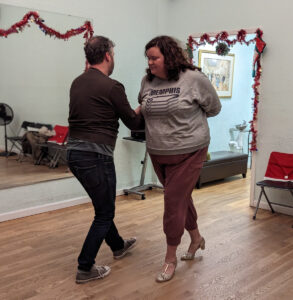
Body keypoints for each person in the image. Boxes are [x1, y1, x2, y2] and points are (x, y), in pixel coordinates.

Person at [138, 36, 221, 282]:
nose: (150, 63)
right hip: (158, 151)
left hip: (190, 150)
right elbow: (143, 107)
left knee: (173, 201)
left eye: (155, 58)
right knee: (181, 198)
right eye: (148, 58)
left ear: (169, 57)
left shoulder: (193, 79)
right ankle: (196, 238)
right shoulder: (147, 81)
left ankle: (169, 258)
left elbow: (214, 108)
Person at [67, 36, 143, 284]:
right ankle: (85, 267)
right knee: (105, 213)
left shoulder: (77, 82)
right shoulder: (112, 86)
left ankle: (118, 246)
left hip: (74, 155)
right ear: (108, 55)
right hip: (96, 156)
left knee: (102, 208)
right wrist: (142, 107)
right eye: (113, 54)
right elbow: (132, 122)